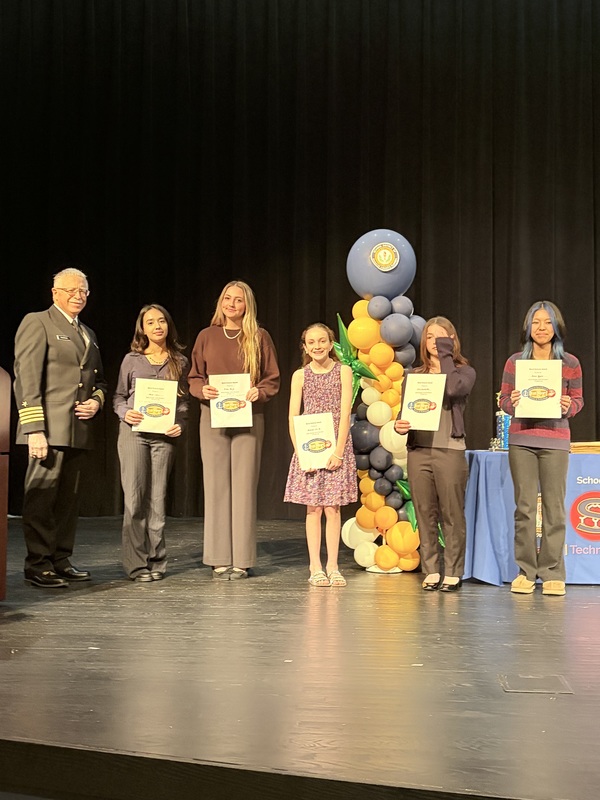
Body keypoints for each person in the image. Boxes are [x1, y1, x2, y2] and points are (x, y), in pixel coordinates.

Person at [14, 267, 107, 588]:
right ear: (55, 293)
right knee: (41, 499)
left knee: (69, 500)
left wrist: (96, 401)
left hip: (78, 430)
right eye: (72, 291)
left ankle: (60, 558)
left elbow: (101, 382)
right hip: (47, 430)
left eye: (83, 291)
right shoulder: (37, 322)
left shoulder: (88, 334)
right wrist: (34, 429)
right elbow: (26, 379)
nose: (79, 296)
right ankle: (37, 563)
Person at [188, 281, 280, 579]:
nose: (231, 304)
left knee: (243, 487)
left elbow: (272, 378)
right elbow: (194, 377)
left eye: (238, 300)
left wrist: (259, 392)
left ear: (247, 305)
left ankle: (241, 558)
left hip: (249, 417)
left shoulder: (259, 337)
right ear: (221, 302)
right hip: (212, 416)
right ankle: (218, 557)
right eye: (227, 298)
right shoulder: (206, 335)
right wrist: (204, 390)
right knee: (215, 486)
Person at [498, 301, 583, 597]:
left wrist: (568, 405)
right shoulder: (515, 363)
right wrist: (515, 401)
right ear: (528, 327)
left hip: (555, 441)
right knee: (523, 508)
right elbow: (504, 401)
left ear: (556, 327)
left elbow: (578, 401)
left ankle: (552, 572)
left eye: (547, 323)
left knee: (554, 509)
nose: (542, 328)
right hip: (522, 440)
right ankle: (526, 571)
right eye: (536, 322)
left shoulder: (570, 363)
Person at [394, 317, 475, 592]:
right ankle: (430, 569)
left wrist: (446, 356)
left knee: (452, 513)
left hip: (449, 449)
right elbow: (405, 413)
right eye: (430, 337)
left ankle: (453, 570)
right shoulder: (414, 375)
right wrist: (399, 424)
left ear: (452, 340)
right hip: (419, 450)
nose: (435, 342)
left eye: (442, 336)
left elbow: (452, 389)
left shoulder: (464, 372)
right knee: (424, 512)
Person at [113, 304, 189, 583]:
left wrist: (179, 424)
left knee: (157, 500)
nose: (157, 326)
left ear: (168, 325)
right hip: (134, 433)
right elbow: (118, 397)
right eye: (150, 322)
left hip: (163, 439)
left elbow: (182, 404)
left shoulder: (179, 361)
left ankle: (156, 560)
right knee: (135, 499)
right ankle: (135, 565)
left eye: (161, 321)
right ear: (142, 329)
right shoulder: (131, 360)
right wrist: (125, 412)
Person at [284, 323, 357, 587]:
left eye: (322, 341)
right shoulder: (299, 375)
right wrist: (302, 453)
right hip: (309, 447)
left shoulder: (344, 371)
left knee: (333, 508)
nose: (317, 346)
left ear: (331, 344)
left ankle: (334, 566)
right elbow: (293, 416)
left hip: (336, 446)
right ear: (305, 347)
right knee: (313, 509)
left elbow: (345, 411)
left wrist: (338, 451)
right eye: (311, 342)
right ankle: (315, 566)